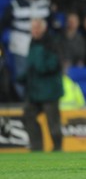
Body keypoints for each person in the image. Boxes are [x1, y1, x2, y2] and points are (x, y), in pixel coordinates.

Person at [19, 18, 63, 151]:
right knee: (28, 115)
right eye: (33, 28)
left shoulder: (52, 43)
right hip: (35, 91)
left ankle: (57, 148)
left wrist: (38, 64)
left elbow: (52, 66)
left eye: (37, 28)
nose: (35, 31)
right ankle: (37, 147)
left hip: (49, 91)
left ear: (44, 28)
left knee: (53, 124)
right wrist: (22, 78)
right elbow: (31, 67)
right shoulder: (33, 43)